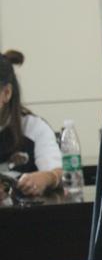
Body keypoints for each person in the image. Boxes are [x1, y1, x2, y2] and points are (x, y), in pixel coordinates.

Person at [0, 50, 62, 200]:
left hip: (27, 212)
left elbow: (58, 173)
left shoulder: (34, 128)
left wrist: (45, 178)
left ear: (7, 93)